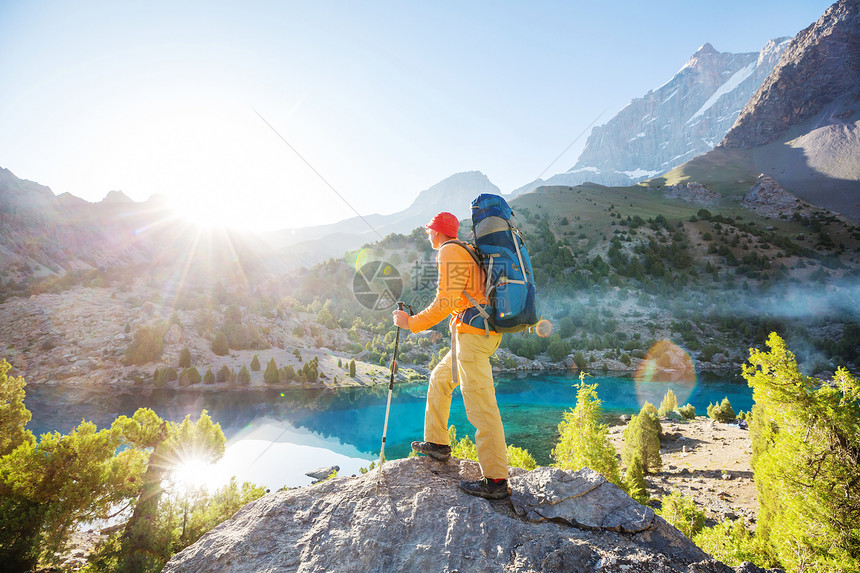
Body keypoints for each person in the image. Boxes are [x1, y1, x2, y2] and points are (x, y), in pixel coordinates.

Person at [392, 211, 509, 500]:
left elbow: (444, 302)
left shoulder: (449, 252)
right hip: (476, 334)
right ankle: (438, 444)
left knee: (482, 407)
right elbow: (457, 297)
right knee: (440, 379)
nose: (428, 234)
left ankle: (496, 480)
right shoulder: (465, 250)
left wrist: (411, 323)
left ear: (439, 231)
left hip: (473, 338)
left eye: (429, 229)